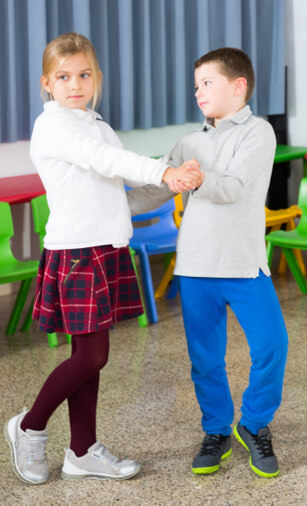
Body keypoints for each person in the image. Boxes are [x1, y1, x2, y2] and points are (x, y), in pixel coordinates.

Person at [5, 32, 200, 485]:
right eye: (64, 76)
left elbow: (116, 194)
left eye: (84, 74)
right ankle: (29, 426)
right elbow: (107, 160)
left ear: (97, 78)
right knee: (92, 356)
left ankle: (81, 451)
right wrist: (164, 170)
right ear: (46, 84)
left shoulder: (96, 123)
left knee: (87, 355)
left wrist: (169, 183)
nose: (75, 84)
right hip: (76, 252)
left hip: (105, 247)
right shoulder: (54, 125)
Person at [127, 47, 289, 477]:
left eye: (207, 83)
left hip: (243, 264)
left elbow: (234, 186)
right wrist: (111, 202)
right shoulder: (189, 141)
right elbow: (155, 189)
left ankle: (253, 425)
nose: (198, 91)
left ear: (239, 86)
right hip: (196, 266)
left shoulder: (260, 132)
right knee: (205, 360)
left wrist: (196, 180)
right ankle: (216, 429)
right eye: (196, 84)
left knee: (272, 347)